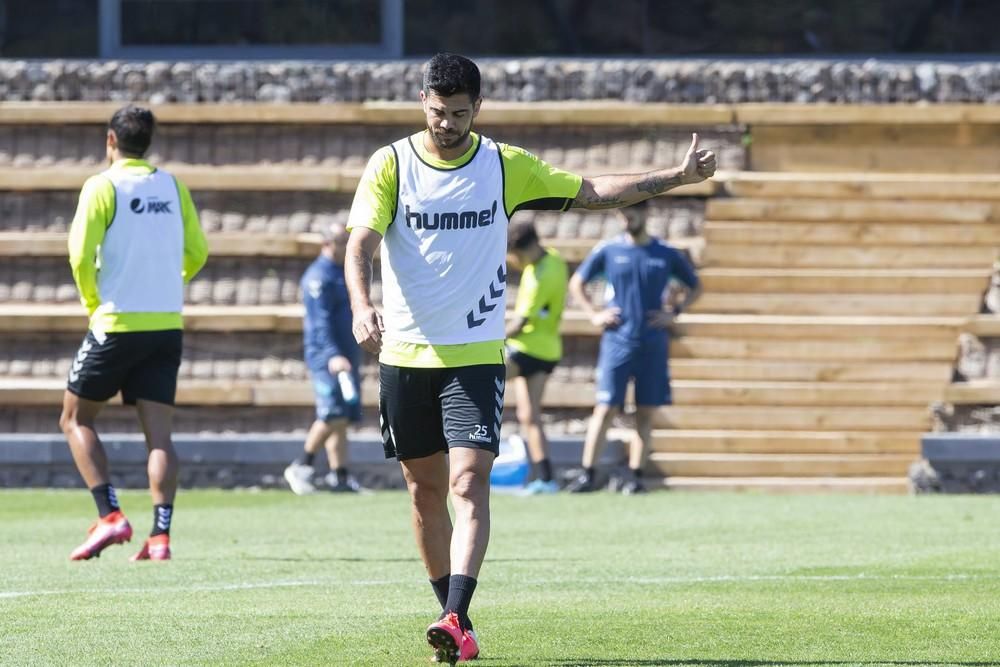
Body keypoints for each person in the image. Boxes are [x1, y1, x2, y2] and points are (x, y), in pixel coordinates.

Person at [344, 53, 715, 664]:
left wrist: (672, 178)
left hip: (476, 355)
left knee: (469, 481)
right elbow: (361, 243)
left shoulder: (500, 165)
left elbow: (591, 191)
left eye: (460, 114)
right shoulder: (390, 164)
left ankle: (457, 614)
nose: (448, 125)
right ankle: (451, 617)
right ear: (422, 102)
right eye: (438, 113)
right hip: (406, 355)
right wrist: (362, 306)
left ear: (478, 109)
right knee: (422, 490)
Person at [60, 105, 209, 561]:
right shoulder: (172, 185)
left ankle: (110, 515)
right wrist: (168, 284)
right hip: (166, 325)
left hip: (117, 323)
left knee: (74, 418)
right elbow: (198, 252)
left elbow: (79, 257)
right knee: (159, 437)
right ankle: (160, 536)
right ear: (150, 142)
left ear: (111, 140)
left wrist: (92, 303)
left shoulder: (102, 186)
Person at [566, 200, 703, 495]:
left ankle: (635, 475)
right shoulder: (608, 250)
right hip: (617, 342)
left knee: (645, 412)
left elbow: (695, 285)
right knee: (605, 407)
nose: (627, 217)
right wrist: (593, 314)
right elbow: (577, 282)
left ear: (646, 213)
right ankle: (588, 472)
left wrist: (674, 312)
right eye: (622, 212)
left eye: (634, 211)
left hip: (652, 342)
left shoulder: (665, 253)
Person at [284, 222, 365, 495]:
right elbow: (320, 323)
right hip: (327, 357)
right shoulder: (318, 277)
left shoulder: (342, 272)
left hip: (346, 354)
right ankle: (301, 464)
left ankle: (340, 476)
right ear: (327, 244)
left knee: (342, 418)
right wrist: (333, 355)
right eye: (342, 241)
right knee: (331, 413)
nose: (346, 247)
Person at [504, 221, 568, 495]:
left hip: (525, 349)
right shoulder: (554, 259)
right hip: (548, 349)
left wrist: (491, 339)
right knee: (529, 415)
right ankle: (546, 477)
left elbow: (520, 321)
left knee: (474, 382)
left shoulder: (539, 275)